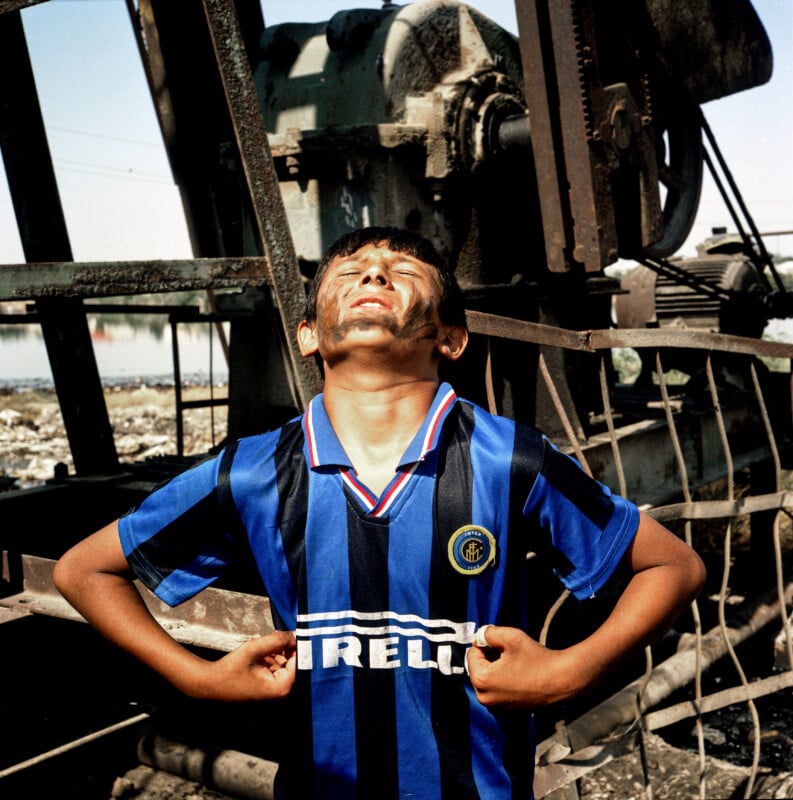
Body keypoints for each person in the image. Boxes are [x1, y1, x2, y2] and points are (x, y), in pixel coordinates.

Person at [54, 226, 705, 799]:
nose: (373, 273)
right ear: (307, 334)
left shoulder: (511, 461)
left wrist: (572, 669)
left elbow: (673, 566)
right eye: (350, 270)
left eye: (402, 273)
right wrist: (197, 679)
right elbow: (84, 571)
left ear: (450, 337)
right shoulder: (251, 471)